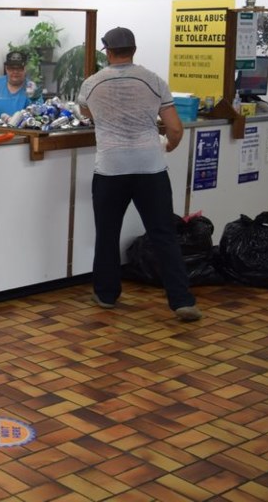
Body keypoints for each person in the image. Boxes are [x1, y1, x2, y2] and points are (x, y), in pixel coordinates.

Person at [77, 27, 202, 322]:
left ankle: (106, 294)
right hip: (150, 167)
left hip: (110, 168)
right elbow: (174, 128)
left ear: (107, 52)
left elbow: (87, 114)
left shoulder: (92, 84)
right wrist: (168, 146)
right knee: (164, 235)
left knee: (107, 234)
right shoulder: (154, 80)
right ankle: (182, 301)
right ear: (134, 50)